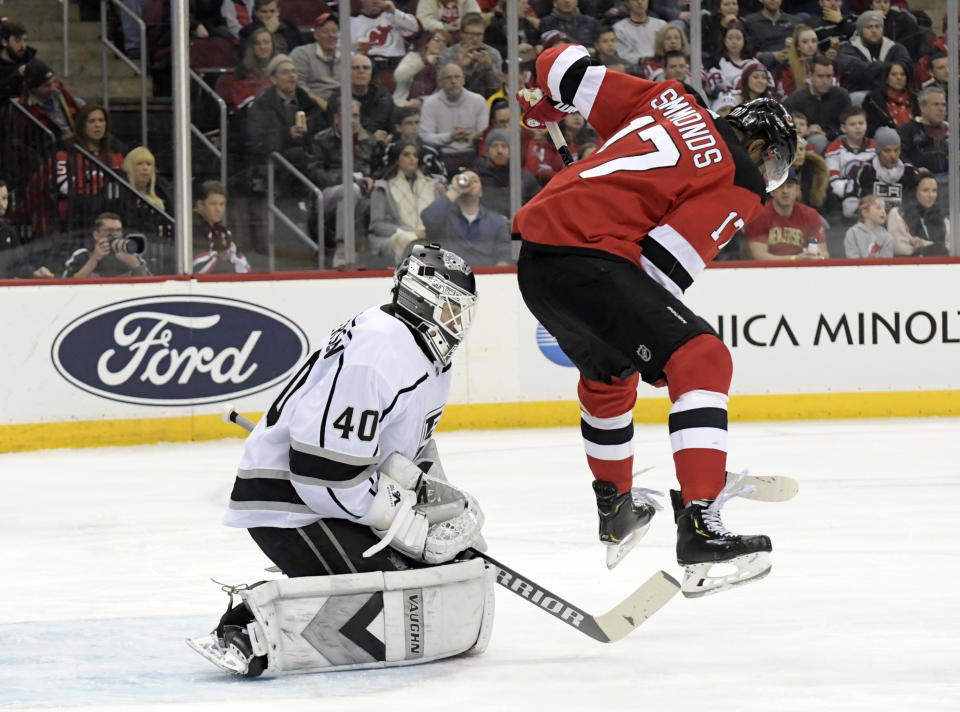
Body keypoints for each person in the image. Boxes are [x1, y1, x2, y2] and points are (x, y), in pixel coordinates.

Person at [513, 42, 796, 595]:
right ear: (758, 144)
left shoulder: (669, 97)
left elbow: (558, 63)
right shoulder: (741, 179)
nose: (769, 174)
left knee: (608, 374)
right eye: (773, 161)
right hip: (590, 259)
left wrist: (550, 103)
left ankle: (616, 507)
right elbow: (662, 267)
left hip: (537, 263)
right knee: (702, 358)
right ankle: (700, 525)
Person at [187, 243, 490, 678]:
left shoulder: (421, 352)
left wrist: (435, 506)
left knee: (438, 573)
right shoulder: (379, 353)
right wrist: (400, 525)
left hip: (339, 493)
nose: (457, 323)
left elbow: (411, 449)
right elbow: (320, 473)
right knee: (403, 596)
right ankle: (248, 626)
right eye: (450, 308)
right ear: (422, 297)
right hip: (291, 502)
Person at [309, 96, 378, 267]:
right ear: (336, 118)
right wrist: (349, 178)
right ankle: (342, 248)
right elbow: (315, 172)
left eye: (356, 116)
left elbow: (377, 168)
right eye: (348, 115)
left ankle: (383, 249)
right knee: (350, 190)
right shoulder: (321, 139)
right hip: (327, 194)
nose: (353, 120)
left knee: (380, 192)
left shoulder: (367, 139)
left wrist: (373, 180)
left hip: (361, 193)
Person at [246, 54, 325, 188]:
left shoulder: (309, 104)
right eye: (285, 72)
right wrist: (288, 135)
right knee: (298, 155)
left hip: (309, 158)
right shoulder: (262, 106)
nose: (292, 76)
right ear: (273, 79)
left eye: (293, 71)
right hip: (274, 161)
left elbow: (321, 132)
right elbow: (258, 142)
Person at [368, 140, 440, 264]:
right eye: (406, 155)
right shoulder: (383, 188)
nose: (412, 159)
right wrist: (411, 232)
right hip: (393, 238)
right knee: (411, 241)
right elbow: (377, 226)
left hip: (428, 235)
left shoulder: (432, 186)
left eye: (415, 155)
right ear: (397, 159)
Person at [421, 170, 512, 266]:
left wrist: (499, 273)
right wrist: (455, 190)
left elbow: (505, 252)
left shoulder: (496, 221)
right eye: (464, 180)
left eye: (475, 181)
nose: (469, 185)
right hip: (452, 276)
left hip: (487, 276)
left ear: (481, 192)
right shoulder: (444, 217)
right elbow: (428, 218)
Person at [419, 62, 489, 174]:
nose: (453, 81)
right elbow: (425, 137)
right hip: (441, 154)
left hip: (473, 155)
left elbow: (485, 135)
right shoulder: (430, 103)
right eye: (448, 78)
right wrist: (450, 136)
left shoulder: (479, 101)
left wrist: (468, 136)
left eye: (457, 77)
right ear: (441, 82)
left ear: (463, 80)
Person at [744, 169, 828, 259]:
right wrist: (796, 259)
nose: (785, 191)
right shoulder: (759, 215)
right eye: (780, 186)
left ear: (797, 190)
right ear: (771, 190)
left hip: (802, 270)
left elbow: (824, 254)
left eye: (790, 186)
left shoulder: (810, 215)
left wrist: (818, 256)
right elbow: (760, 257)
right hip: (767, 271)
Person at [783, 55, 851, 151]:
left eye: (829, 76)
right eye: (820, 76)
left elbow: (849, 124)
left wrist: (826, 134)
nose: (825, 81)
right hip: (807, 143)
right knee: (818, 140)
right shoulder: (796, 99)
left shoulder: (841, 96)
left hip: (837, 138)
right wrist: (804, 131)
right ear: (810, 76)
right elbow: (784, 127)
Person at [837, 10, 912, 94]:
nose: (874, 30)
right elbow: (862, 73)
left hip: (892, 94)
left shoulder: (896, 48)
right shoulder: (848, 50)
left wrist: (877, 70)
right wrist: (888, 70)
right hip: (860, 95)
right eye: (869, 27)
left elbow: (906, 68)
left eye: (878, 27)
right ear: (860, 31)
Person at [475, 128, 540, 218]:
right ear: (486, 152)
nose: (500, 151)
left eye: (504, 146)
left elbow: (537, 210)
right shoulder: (477, 180)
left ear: (510, 151)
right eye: (494, 146)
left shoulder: (524, 178)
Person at [62, 212, 151, 278]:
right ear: (96, 235)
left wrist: (135, 266)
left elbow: (152, 287)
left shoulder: (132, 255)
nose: (115, 235)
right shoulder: (81, 255)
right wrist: (94, 260)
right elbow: (67, 286)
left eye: (118, 230)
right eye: (110, 230)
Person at [437, 12, 503, 99]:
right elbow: (441, 87)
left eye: (479, 34)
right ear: (461, 33)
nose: (474, 39)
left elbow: (497, 88)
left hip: (485, 102)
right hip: (453, 101)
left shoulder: (492, 54)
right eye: (470, 34)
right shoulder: (447, 54)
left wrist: (488, 68)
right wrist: (460, 66)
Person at [825, 107, 876, 219]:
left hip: (871, 195)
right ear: (843, 128)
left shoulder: (875, 147)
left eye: (861, 123)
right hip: (843, 197)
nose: (858, 127)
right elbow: (833, 180)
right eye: (853, 124)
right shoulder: (834, 148)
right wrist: (852, 190)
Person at [852, 125, 918, 210]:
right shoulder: (865, 172)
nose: (893, 156)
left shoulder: (909, 172)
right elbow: (853, 204)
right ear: (878, 151)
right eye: (887, 151)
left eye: (896, 150)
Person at [374, 106, 447, 182]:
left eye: (417, 122)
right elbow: (381, 176)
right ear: (398, 127)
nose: (414, 127)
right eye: (409, 123)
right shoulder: (389, 150)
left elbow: (442, 178)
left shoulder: (430, 151)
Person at [192, 181, 251, 274]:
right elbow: (199, 267)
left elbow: (244, 266)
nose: (218, 209)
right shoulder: (192, 229)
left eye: (222, 204)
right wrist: (232, 268)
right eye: (213, 204)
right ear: (200, 205)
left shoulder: (222, 230)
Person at [887, 171, 950, 257]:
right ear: (914, 192)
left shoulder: (943, 219)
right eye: (925, 190)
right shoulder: (898, 213)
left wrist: (922, 246)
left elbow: (951, 247)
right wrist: (936, 248)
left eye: (934, 191)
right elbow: (900, 247)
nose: (931, 195)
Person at [352, 0, 420, 79]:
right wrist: (357, 54)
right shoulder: (352, 21)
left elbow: (416, 28)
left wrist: (394, 11)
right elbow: (344, 51)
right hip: (368, 65)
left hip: (396, 63)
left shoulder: (393, 16)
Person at [216, 25, 276, 115]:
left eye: (266, 42)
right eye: (258, 43)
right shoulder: (243, 70)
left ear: (273, 45)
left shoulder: (281, 66)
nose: (263, 46)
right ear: (252, 47)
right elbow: (243, 103)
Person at [18, 59, 83, 140]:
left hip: (77, 139)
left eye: (54, 82)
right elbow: (34, 142)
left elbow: (79, 113)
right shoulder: (25, 108)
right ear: (33, 88)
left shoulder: (59, 91)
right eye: (47, 85)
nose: (53, 88)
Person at [289, 13, 340, 113]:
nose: (331, 35)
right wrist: (324, 105)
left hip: (343, 106)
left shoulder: (347, 56)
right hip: (311, 108)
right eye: (325, 31)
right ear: (316, 35)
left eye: (334, 31)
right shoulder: (301, 53)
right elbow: (298, 86)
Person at [897, 85, 948, 180]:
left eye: (943, 105)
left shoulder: (953, 130)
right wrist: (914, 170)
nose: (941, 109)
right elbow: (898, 156)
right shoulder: (908, 130)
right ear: (922, 107)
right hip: (920, 182)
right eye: (936, 104)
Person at [392, 29, 449, 110]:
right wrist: (423, 62)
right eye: (437, 40)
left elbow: (442, 92)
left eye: (444, 42)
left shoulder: (445, 65)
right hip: (404, 104)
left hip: (430, 107)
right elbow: (398, 76)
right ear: (427, 43)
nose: (440, 44)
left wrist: (422, 101)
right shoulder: (412, 57)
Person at [862, 60, 917, 137]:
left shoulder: (916, 99)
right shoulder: (873, 100)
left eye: (903, 74)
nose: (899, 78)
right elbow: (871, 129)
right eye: (894, 74)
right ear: (886, 78)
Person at [350, 53, 395, 138]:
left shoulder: (382, 96)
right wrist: (372, 138)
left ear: (371, 73)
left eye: (366, 68)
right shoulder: (340, 97)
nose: (361, 71)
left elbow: (383, 126)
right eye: (356, 68)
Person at [238, 0, 304, 55]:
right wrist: (269, 32)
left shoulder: (289, 26)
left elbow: (301, 51)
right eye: (264, 12)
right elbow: (248, 59)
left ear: (278, 11)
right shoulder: (247, 32)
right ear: (256, 12)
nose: (268, 15)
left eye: (272, 11)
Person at [613, 0, 666, 65]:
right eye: (635, 0)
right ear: (627, 3)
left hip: (661, 66)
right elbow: (623, 55)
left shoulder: (661, 25)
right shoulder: (619, 29)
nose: (640, 2)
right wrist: (643, 60)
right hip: (635, 69)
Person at [776, 24, 819, 98]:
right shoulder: (787, 67)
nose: (810, 45)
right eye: (805, 42)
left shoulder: (824, 64)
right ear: (797, 46)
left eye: (814, 41)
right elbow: (786, 95)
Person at [0, 20, 36, 103]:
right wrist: (18, 75)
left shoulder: (29, 59)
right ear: (5, 42)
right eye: (17, 40)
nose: (23, 46)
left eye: (25, 40)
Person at [416, 0, 481, 34]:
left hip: (463, 33)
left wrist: (462, 23)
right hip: (436, 35)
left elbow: (476, 15)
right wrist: (444, 27)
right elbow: (422, 20)